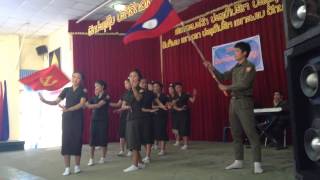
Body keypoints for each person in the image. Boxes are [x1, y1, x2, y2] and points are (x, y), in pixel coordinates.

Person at [203, 41, 263, 174]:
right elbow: (223, 77)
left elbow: (244, 84)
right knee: (236, 133)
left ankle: (257, 163)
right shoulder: (236, 67)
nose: (234, 54)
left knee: (251, 133)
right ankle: (238, 161)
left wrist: (227, 88)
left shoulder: (250, 67)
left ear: (244, 53)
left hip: (244, 103)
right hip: (233, 103)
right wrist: (212, 68)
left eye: (236, 51)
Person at [39, 72, 86, 176]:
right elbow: (56, 101)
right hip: (67, 119)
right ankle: (67, 168)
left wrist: (69, 109)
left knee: (77, 141)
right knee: (66, 141)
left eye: (78, 78)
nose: (76, 79)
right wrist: (45, 101)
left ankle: (77, 166)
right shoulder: (66, 90)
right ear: (72, 78)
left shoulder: (83, 91)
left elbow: (81, 104)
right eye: (74, 77)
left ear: (81, 80)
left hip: (78, 119)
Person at [120, 69, 145, 172]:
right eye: (130, 76)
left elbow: (138, 98)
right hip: (129, 117)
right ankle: (141, 163)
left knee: (134, 141)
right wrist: (126, 107)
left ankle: (135, 164)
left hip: (137, 117)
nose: (132, 78)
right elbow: (124, 105)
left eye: (134, 76)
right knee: (131, 140)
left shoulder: (141, 88)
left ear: (138, 78)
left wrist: (134, 88)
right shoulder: (128, 92)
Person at [86, 80, 115, 166]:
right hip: (94, 120)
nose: (96, 88)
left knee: (103, 139)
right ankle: (91, 159)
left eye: (97, 86)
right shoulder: (94, 97)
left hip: (103, 120)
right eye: (95, 86)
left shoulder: (106, 96)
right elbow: (86, 103)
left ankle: (103, 157)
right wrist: (89, 105)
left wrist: (89, 106)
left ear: (102, 86)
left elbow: (98, 105)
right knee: (92, 140)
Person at [139, 78, 167, 163]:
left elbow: (158, 102)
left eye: (145, 83)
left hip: (148, 118)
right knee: (141, 138)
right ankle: (147, 153)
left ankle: (148, 156)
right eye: (142, 83)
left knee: (148, 137)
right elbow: (138, 107)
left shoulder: (151, 94)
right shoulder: (137, 93)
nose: (144, 84)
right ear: (139, 84)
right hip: (139, 117)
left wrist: (164, 107)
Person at [173, 82, 196, 150]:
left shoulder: (186, 94)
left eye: (179, 87)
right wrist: (179, 109)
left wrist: (194, 94)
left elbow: (192, 101)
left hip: (185, 114)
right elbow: (173, 105)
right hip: (178, 114)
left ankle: (186, 144)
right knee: (179, 129)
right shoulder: (175, 96)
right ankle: (181, 142)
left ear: (181, 87)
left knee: (184, 128)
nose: (178, 89)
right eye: (176, 88)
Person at [114, 79, 132, 157]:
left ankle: (130, 150)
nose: (125, 85)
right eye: (124, 83)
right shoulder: (124, 94)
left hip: (130, 115)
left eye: (127, 83)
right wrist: (108, 103)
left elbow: (130, 106)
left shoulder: (133, 93)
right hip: (123, 115)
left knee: (129, 133)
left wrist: (121, 108)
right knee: (122, 133)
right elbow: (118, 104)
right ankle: (122, 150)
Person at [153, 81, 169, 155]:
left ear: (160, 87)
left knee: (162, 131)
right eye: (154, 86)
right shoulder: (152, 96)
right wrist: (160, 106)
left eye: (157, 86)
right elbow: (150, 106)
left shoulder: (164, 96)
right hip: (154, 116)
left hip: (162, 116)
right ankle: (157, 145)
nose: (155, 88)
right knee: (156, 131)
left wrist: (168, 106)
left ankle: (163, 149)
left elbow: (167, 105)